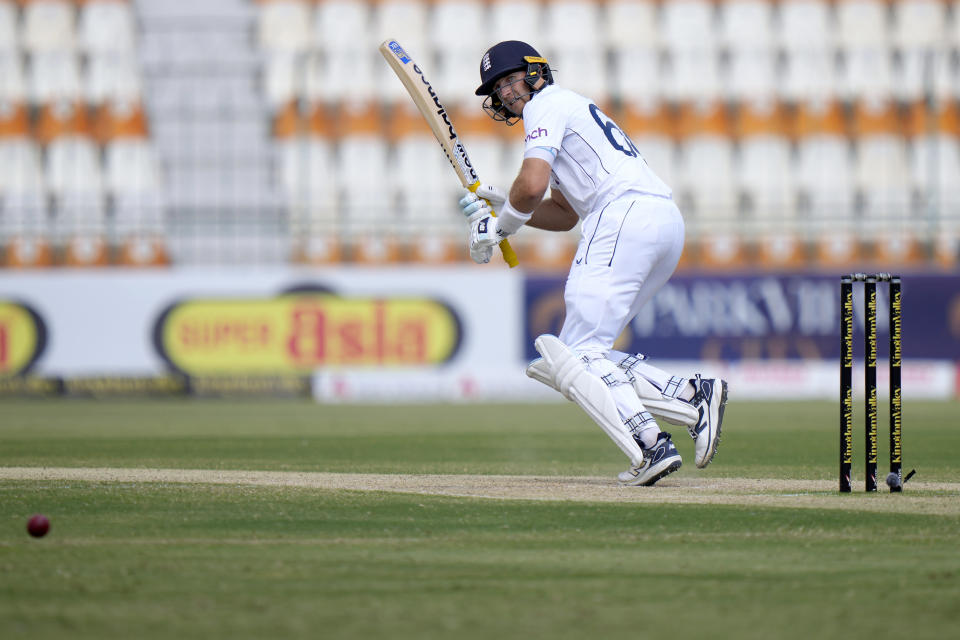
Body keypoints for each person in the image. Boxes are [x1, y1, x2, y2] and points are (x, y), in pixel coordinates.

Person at [458, 41, 728, 486]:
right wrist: (504, 205)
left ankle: (650, 444)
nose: (505, 93)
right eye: (497, 87)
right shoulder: (569, 109)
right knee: (586, 351)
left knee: (577, 354)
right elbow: (562, 214)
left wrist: (499, 226)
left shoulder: (546, 105)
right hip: (660, 221)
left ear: (535, 72)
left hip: (622, 216)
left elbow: (531, 186)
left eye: (509, 79)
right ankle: (690, 395)